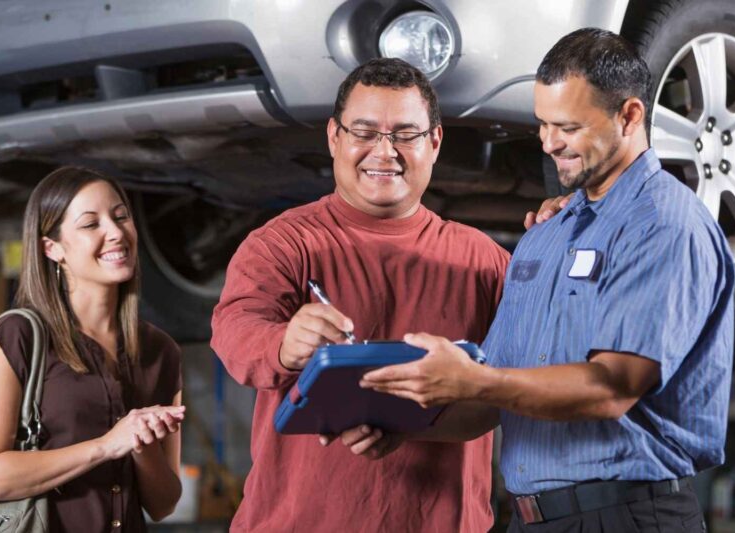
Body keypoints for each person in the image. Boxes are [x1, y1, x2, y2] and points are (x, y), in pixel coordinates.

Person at [361, 28, 735, 532]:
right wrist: (403, 422)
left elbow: (612, 388)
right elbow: (492, 398)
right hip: (530, 520)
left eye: (567, 126)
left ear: (629, 116)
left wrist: (477, 379)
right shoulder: (544, 238)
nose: (548, 141)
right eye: (542, 123)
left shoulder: (665, 226)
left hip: (628, 517)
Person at [209, 58, 511, 532]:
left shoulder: (484, 262)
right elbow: (235, 331)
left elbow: (521, 387)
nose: (384, 151)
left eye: (405, 134)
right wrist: (284, 343)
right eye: (365, 132)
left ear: (434, 142)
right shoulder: (283, 243)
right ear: (335, 137)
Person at [0, 167, 185, 531]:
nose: (115, 233)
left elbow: (163, 505)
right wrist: (106, 446)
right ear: (52, 248)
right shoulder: (19, 336)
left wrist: (141, 444)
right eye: (90, 224)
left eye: (121, 216)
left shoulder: (160, 351)